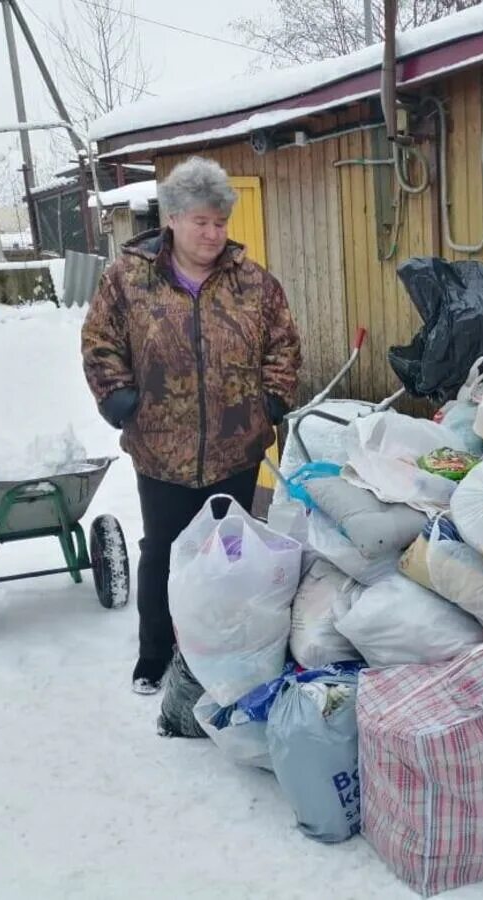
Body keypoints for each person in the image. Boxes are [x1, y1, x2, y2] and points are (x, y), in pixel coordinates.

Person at [82, 156, 302, 695]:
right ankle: (154, 654)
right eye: (200, 221)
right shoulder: (128, 279)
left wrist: (272, 398)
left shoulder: (254, 283)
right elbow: (99, 343)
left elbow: (284, 345)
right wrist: (119, 399)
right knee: (162, 551)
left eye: (220, 222)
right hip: (160, 447)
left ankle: (217, 650)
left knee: (226, 555)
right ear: (173, 219)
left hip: (236, 445)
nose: (212, 233)